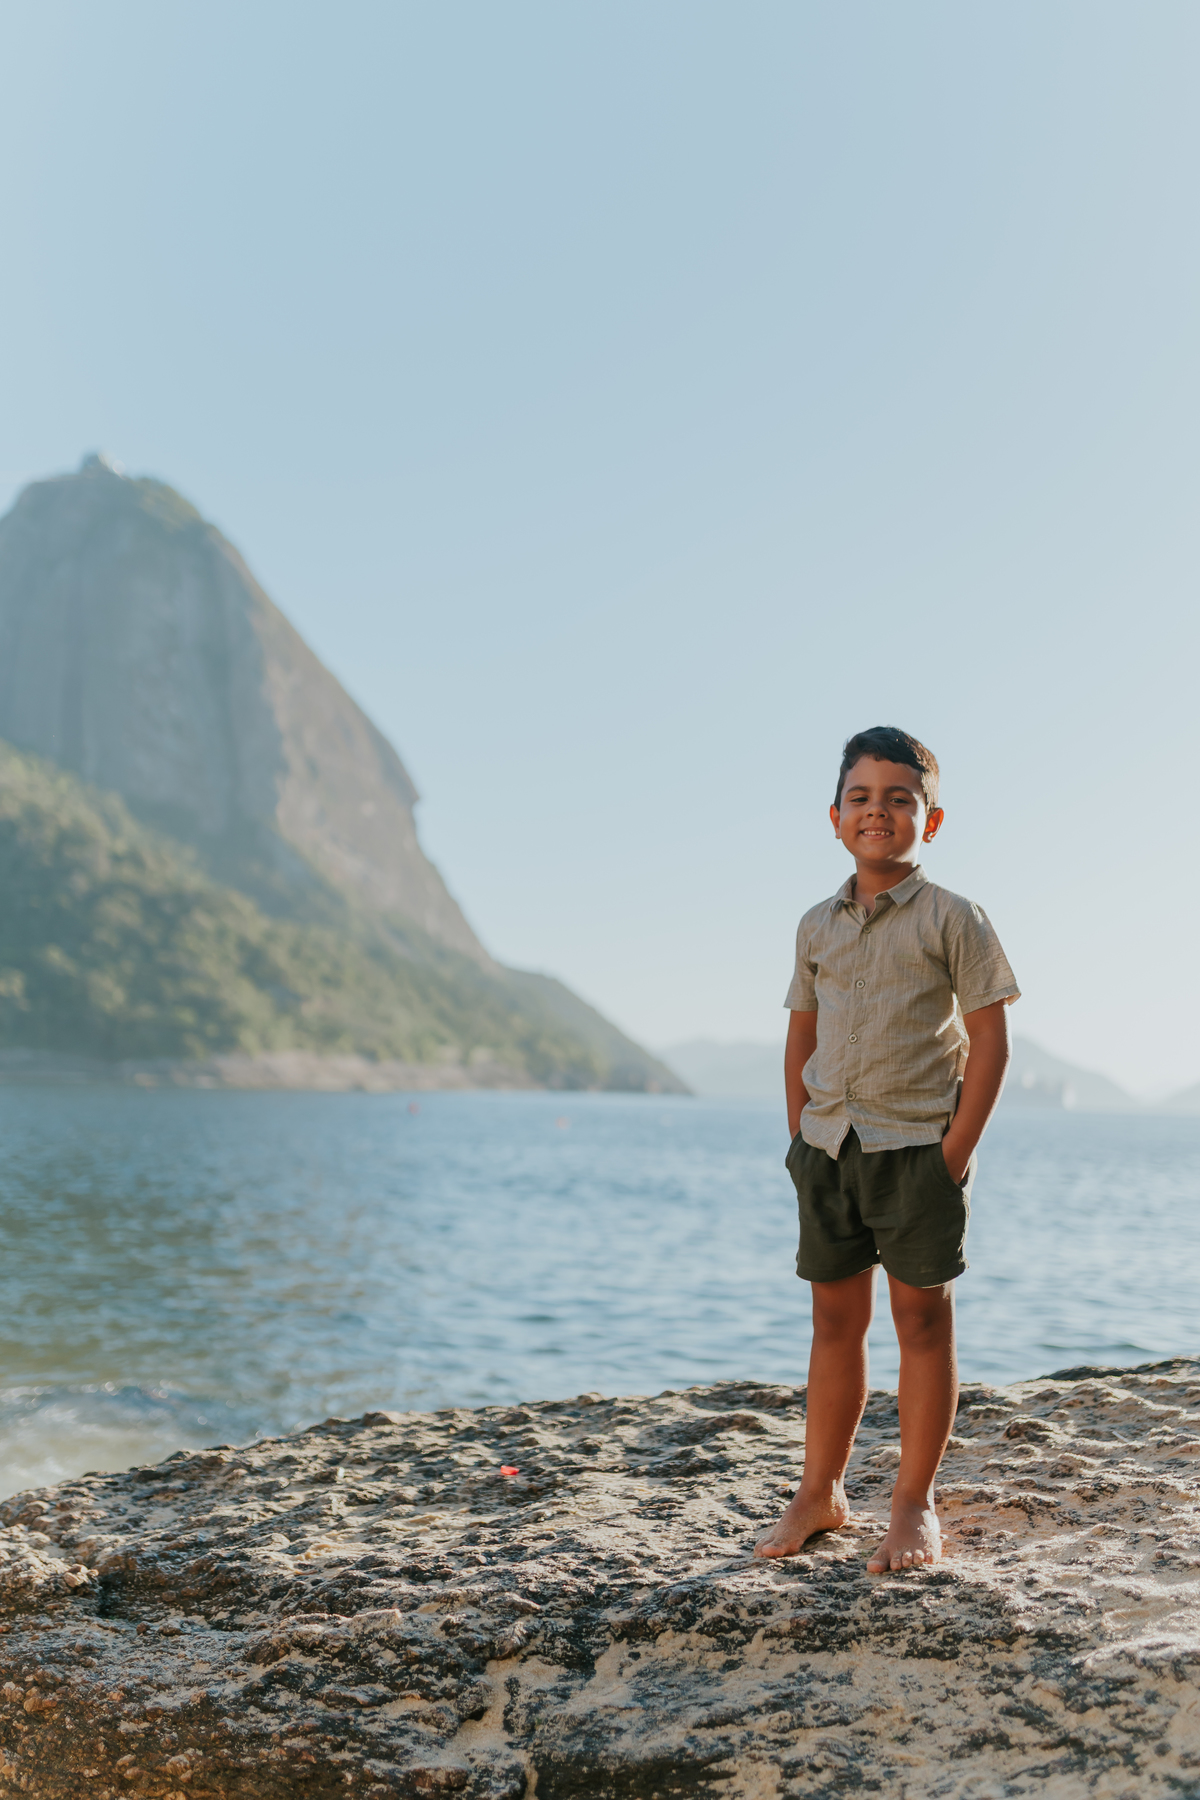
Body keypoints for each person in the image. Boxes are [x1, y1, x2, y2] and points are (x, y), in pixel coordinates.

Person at [754, 726, 1018, 1574]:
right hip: (829, 1149)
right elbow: (800, 1038)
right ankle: (819, 1491)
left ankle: (912, 1502)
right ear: (835, 817)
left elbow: (991, 1043)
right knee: (835, 1323)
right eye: (861, 798)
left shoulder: (955, 918)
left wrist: (952, 1155)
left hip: (917, 1151)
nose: (878, 812)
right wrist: (800, 1135)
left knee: (922, 1324)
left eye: (899, 799)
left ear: (929, 821)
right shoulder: (815, 925)